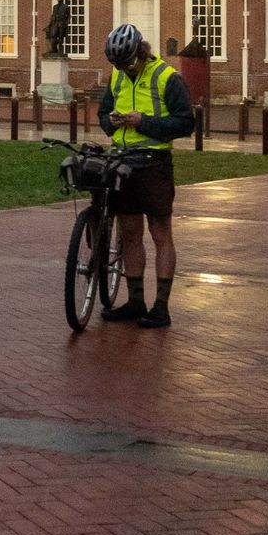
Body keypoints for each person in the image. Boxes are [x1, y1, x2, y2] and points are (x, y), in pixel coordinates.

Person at [94, 24, 196, 329]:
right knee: (129, 234)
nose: (123, 69)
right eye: (117, 64)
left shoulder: (167, 77)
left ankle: (161, 307)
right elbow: (102, 114)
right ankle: (135, 300)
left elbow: (185, 122)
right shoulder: (117, 76)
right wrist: (110, 123)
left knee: (160, 234)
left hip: (154, 164)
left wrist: (144, 122)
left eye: (127, 62)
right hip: (122, 163)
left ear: (141, 52)